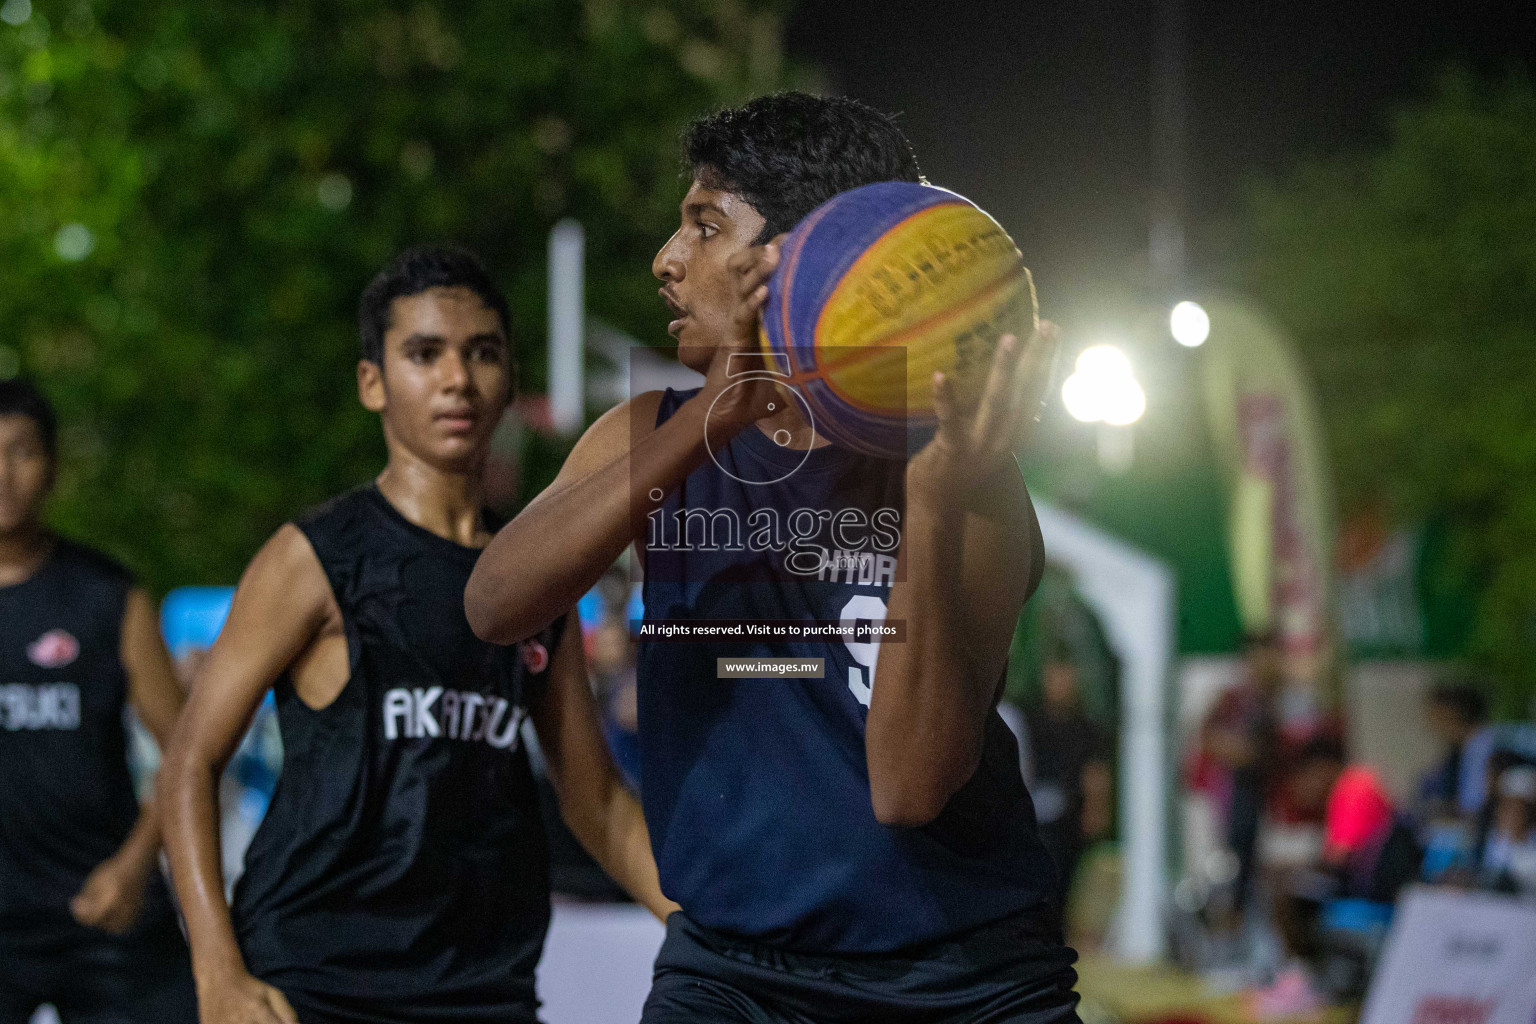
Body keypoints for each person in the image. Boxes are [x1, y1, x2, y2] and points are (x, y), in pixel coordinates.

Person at [466, 93, 1078, 1023]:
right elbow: (493, 605)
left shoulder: (966, 480)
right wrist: (720, 412)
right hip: (733, 980)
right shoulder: (646, 435)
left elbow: (909, 789)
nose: (667, 262)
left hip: (964, 979)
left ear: (807, 259)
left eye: (704, 226)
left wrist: (934, 495)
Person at [159, 247, 675, 1024]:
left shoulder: (536, 578)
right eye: (424, 354)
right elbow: (188, 764)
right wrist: (217, 972)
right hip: (319, 980)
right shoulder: (314, 555)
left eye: (483, 353)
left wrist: (709, 931)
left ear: (509, 379)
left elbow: (597, 803)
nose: (457, 379)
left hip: (484, 988)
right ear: (373, 382)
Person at [0, 378, 197, 1022]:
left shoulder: (109, 595)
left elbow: (186, 753)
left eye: (21, 451)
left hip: (104, 902)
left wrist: (137, 865)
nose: (3, 473)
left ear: (52, 467)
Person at [1198, 631, 1285, 923]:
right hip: (1237, 798)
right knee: (1236, 869)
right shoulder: (1234, 700)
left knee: (1261, 874)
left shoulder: (1277, 701)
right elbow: (1208, 738)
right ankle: (1234, 928)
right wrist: (1236, 750)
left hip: (1271, 800)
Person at [1025, 654, 1112, 907]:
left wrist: (1096, 809)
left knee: (1063, 885)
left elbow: (1095, 772)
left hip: (1068, 819)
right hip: (1034, 816)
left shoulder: (1085, 727)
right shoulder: (1031, 720)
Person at [1418, 679, 1495, 821]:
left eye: (1436, 717)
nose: (1432, 727)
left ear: (1450, 714)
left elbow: (1472, 806)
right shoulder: (1466, 748)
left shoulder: (1480, 747)